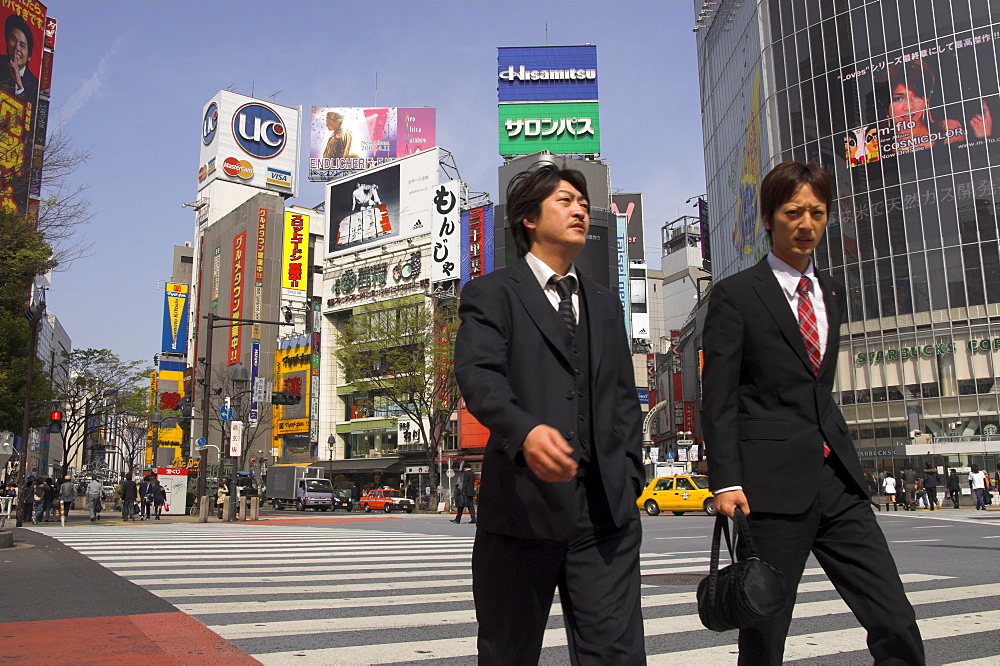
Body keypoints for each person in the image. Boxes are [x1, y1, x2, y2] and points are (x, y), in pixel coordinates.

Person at [701, 161, 924, 665]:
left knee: (894, 618)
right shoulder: (736, 296)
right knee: (764, 633)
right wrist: (726, 481)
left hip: (837, 480)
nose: (807, 224)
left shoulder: (833, 292)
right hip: (770, 489)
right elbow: (718, 399)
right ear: (768, 218)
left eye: (817, 213)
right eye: (793, 211)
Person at [454, 162, 646, 663]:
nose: (580, 208)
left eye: (583, 202)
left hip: (604, 513)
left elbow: (624, 397)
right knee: (509, 654)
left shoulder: (604, 304)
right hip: (520, 510)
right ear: (529, 220)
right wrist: (524, 431)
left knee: (617, 655)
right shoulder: (492, 293)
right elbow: (479, 377)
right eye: (565, 200)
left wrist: (630, 472)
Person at [887, 59, 965, 153]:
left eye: (917, 96)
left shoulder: (949, 129)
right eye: (899, 99)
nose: (909, 107)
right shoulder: (873, 142)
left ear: (926, 100)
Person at [0, 13, 38, 105]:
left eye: (22, 45)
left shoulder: (35, 85)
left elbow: (30, 116)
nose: (16, 48)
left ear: (29, 56)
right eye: (13, 39)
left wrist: (19, 85)